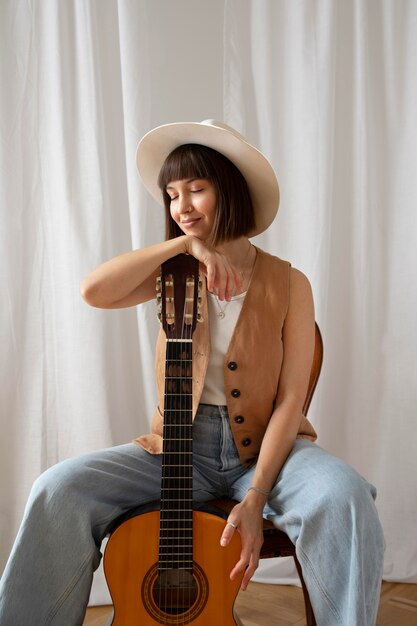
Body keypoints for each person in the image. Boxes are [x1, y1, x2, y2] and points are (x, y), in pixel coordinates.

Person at [0, 120, 384, 625]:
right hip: (177, 448)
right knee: (57, 489)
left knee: (346, 496)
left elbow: (292, 399)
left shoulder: (290, 282)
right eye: (171, 194)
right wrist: (183, 248)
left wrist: (257, 495)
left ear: (230, 190)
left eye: (196, 190)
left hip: (269, 449)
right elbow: (93, 290)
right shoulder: (171, 272)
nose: (181, 206)